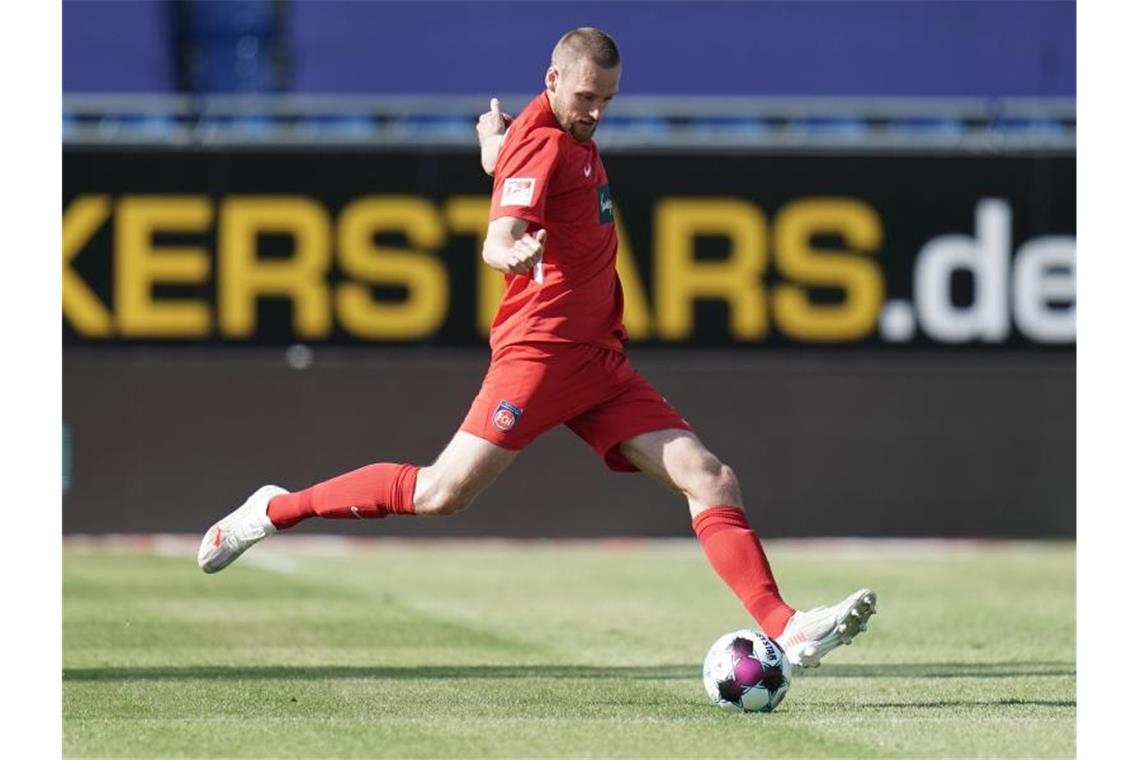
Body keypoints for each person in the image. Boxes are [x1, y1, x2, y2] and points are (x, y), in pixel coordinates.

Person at [197, 27, 876, 669]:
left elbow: (514, 163)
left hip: (599, 361)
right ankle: (272, 509)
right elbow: (500, 231)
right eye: (585, 97)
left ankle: (784, 626)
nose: (596, 113)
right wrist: (506, 246)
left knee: (710, 478)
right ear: (553, 79)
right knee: (440, 494)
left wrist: (495, 149)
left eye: (607, 100)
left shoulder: (548, 136)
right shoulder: (545, 142)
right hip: (541, 354)